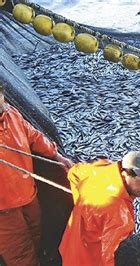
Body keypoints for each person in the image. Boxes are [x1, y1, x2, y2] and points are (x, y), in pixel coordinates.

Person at [0, 82, 74, 265]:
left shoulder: (11, 114)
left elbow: (33, 136)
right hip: (4, 210)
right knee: (19, 253)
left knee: (37, 233)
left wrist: (57, 156)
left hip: (28, 195)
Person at [59, 151, 140, 266]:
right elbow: (114, 259)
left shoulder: (101, 169)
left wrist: (83, 207)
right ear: (124, 174)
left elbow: (74, 173)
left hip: (70, 248)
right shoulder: (119, 216)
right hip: (87, 261)